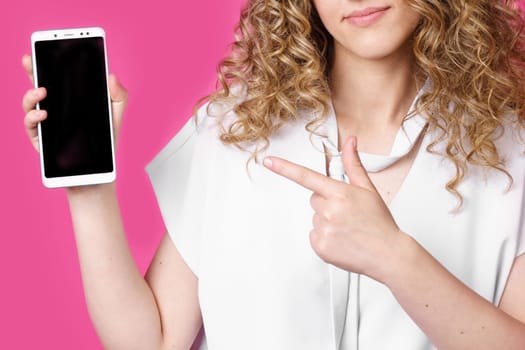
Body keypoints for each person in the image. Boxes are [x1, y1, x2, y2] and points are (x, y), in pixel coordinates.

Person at [22, 0, 525, 349]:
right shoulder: (233, 131)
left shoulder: (512, 149)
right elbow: (150, 340)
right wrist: (88, 189)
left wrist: (394, 257)